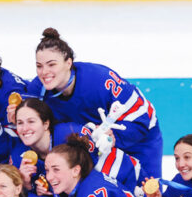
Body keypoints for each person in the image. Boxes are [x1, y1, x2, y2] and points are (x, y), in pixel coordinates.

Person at [25, 28, 162, 180]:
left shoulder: (100, 81)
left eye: (52, 65)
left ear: (68, 63)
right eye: (39, 66)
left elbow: (143, 116)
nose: (44, 72)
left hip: (138, 140)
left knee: (148, 193)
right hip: (95, 147)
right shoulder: (37, 90)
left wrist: (114, 136)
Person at [11, 98, 141, 193]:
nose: (25, 128)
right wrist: (27, 185)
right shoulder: (20, 157)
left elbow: (94, 161)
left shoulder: (68, 133)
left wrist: (104, 138)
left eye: (31, 121)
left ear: (46, 124)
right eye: (20, 123)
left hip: (126, 177)